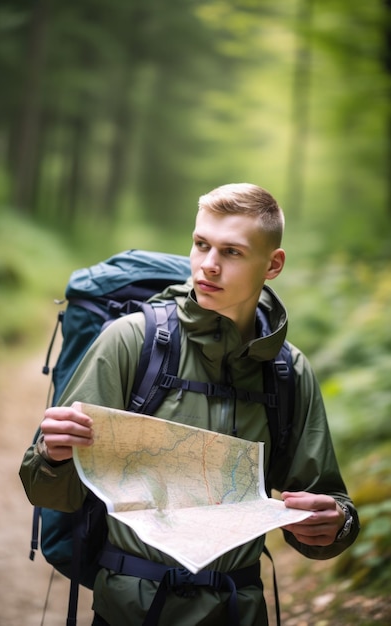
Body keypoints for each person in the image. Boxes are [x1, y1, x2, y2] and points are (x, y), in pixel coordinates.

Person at [20, 183, 359, 626]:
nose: (208, 266)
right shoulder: (131, 341)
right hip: (129, 612)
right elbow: (47, 491)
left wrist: (337, 523)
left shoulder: (288, 372)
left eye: (232, 252)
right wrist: (52, 455)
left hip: (239, 610)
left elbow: (326, 509)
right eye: (201, 245)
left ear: (272, 264)